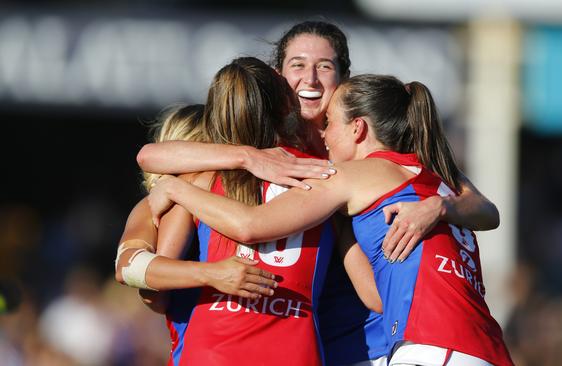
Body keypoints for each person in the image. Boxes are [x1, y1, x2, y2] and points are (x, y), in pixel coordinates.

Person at [137, 20, 500, 366]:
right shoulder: (262, 149)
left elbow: (482, 206)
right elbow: (151, 155)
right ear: (279, 77)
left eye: (324, 66)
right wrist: (249, 157)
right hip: (289, 341)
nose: (309, 78)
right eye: (298, 64)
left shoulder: (364, 161)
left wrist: (439, 206)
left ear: (343, 78)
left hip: (366, 342)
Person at [117, 57, 381, 365]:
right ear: (287, 108)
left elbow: (153, 292)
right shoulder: (328, 178)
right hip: (295, 352)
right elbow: (373, 293)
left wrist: (209, 274)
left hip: (211, 352)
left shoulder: (193, 184)